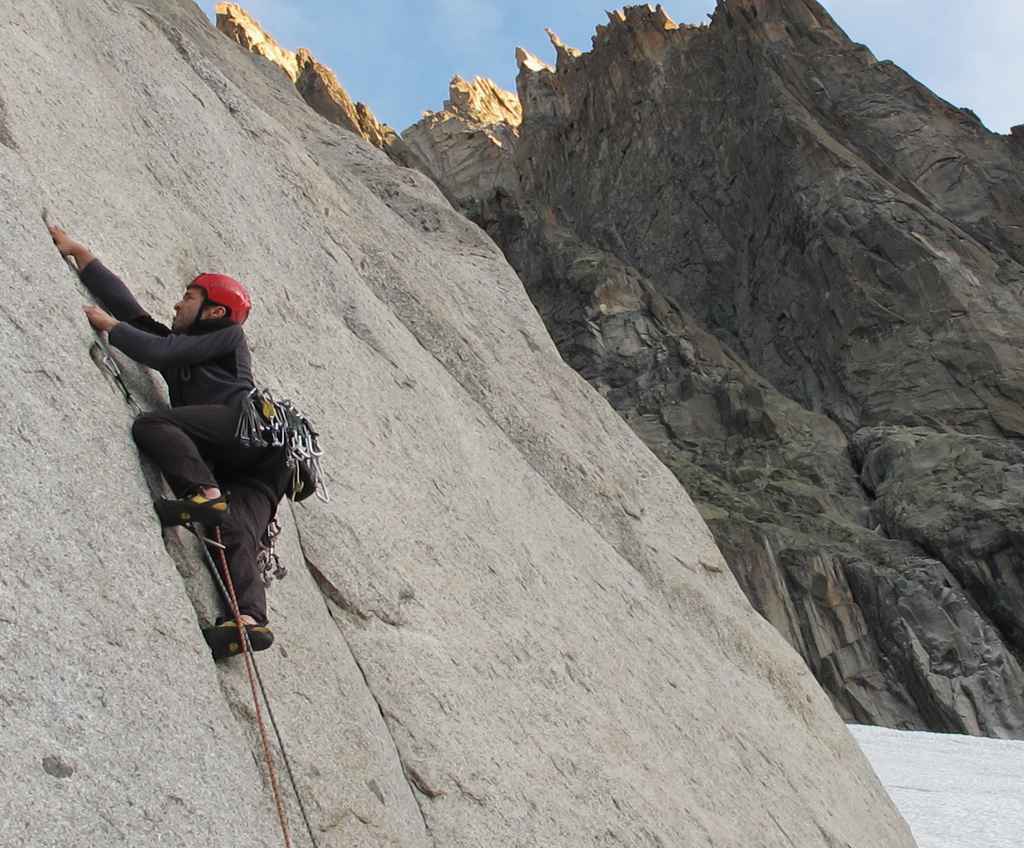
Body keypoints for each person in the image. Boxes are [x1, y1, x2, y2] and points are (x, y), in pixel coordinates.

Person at [50, 225, 288, 657]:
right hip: (257, 472)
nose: (179, 302)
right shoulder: (180, 344)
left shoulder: (230, 337)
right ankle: (248, 621)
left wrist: (110, 330)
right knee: (232, 529)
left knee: (154, 426)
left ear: (215, 313)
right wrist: (82, 256)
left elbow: (156, 351)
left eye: (190, 297)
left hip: (242, 429)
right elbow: (132, 313)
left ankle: (204, 492)